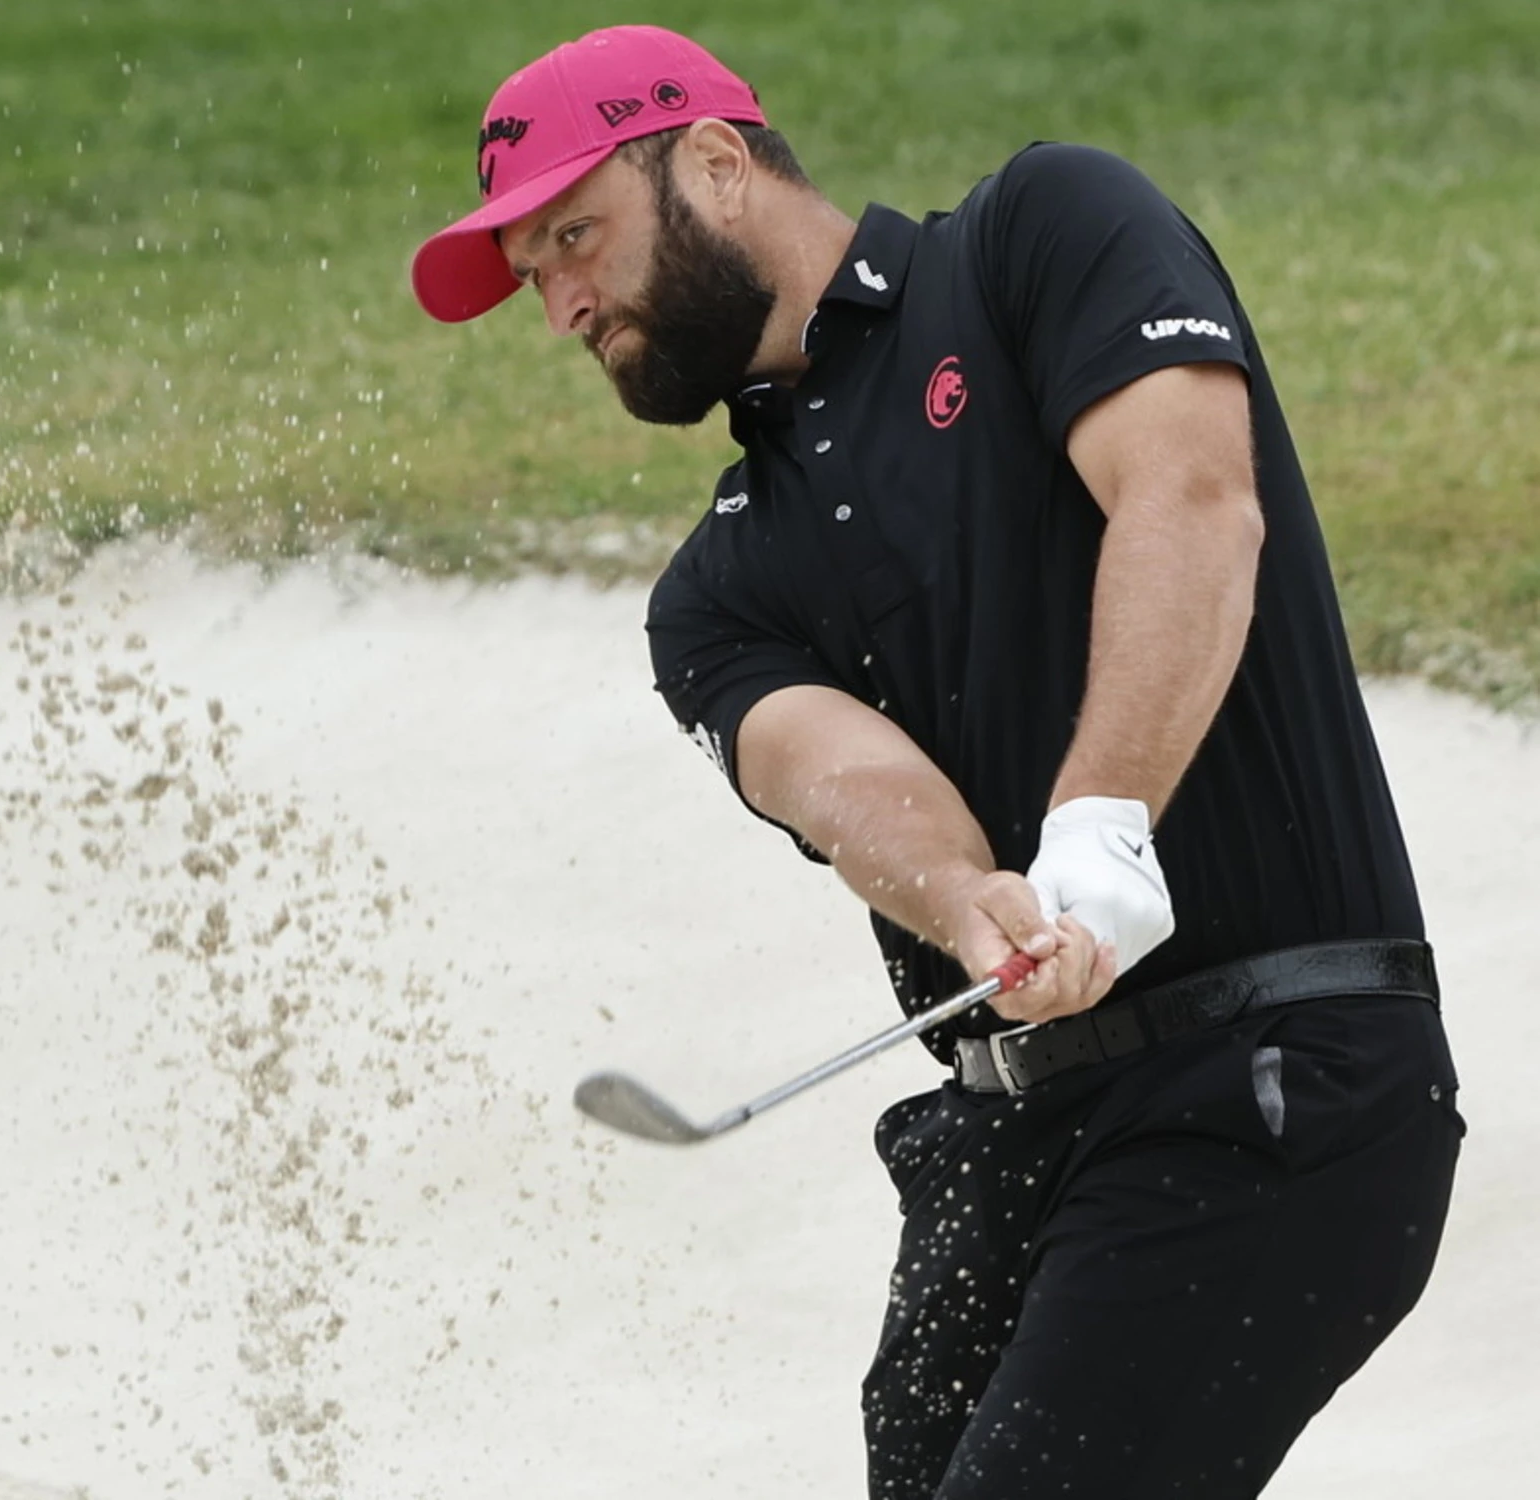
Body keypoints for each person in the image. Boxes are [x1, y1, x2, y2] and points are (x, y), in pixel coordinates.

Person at [412, 24, 1463, 1500]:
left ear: (713, 162)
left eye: (575, 238)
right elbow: (844, 784)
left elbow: (1190, 500)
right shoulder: (712, 595)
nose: (562, 308)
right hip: (1006, 1141)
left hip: (1269, 1075)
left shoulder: (1041, 236)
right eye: (534, 276)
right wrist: (970, 901)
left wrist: (1100, 825)